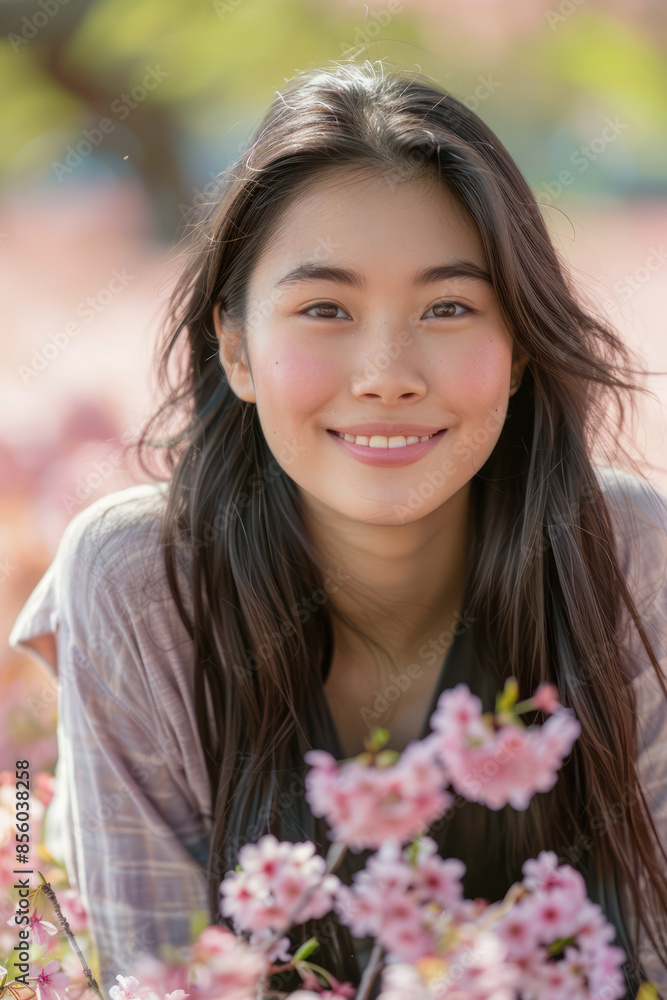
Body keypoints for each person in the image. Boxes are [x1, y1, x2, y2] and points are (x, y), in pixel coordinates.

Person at [9, 59, 667, 1000]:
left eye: (448, 307)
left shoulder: (625, 557)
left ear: (519, 347)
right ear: (234, 347)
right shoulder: (143, 580)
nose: (385, 373)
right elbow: (156, 974)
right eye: (324, 309)